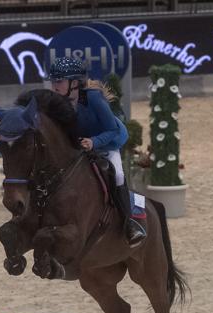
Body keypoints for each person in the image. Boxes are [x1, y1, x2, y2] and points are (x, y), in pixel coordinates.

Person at [47, 57, 146, 247]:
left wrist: (94, 142)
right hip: (82, 145)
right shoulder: (59, 103)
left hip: (108, 142)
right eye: (53, 81)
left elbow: (113, 130)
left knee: (117, 174)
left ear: (74, 83)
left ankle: (129, 225)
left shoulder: (93, 98)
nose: (54, 86)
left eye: (59, 81)